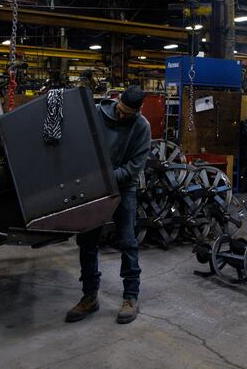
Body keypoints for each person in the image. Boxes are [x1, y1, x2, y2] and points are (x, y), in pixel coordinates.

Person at [65, 86, 151, 325]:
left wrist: (107, 177)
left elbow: (135, 167)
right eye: (121, 111)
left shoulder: (142, 127)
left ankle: (130, 297)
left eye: (129, 114)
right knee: (87, 241)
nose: (122, 116)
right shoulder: (96, 113)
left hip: (123, 187)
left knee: (128, 241)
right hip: (93, 186)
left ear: (138, 110)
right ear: (117, 101)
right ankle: (89, 296)